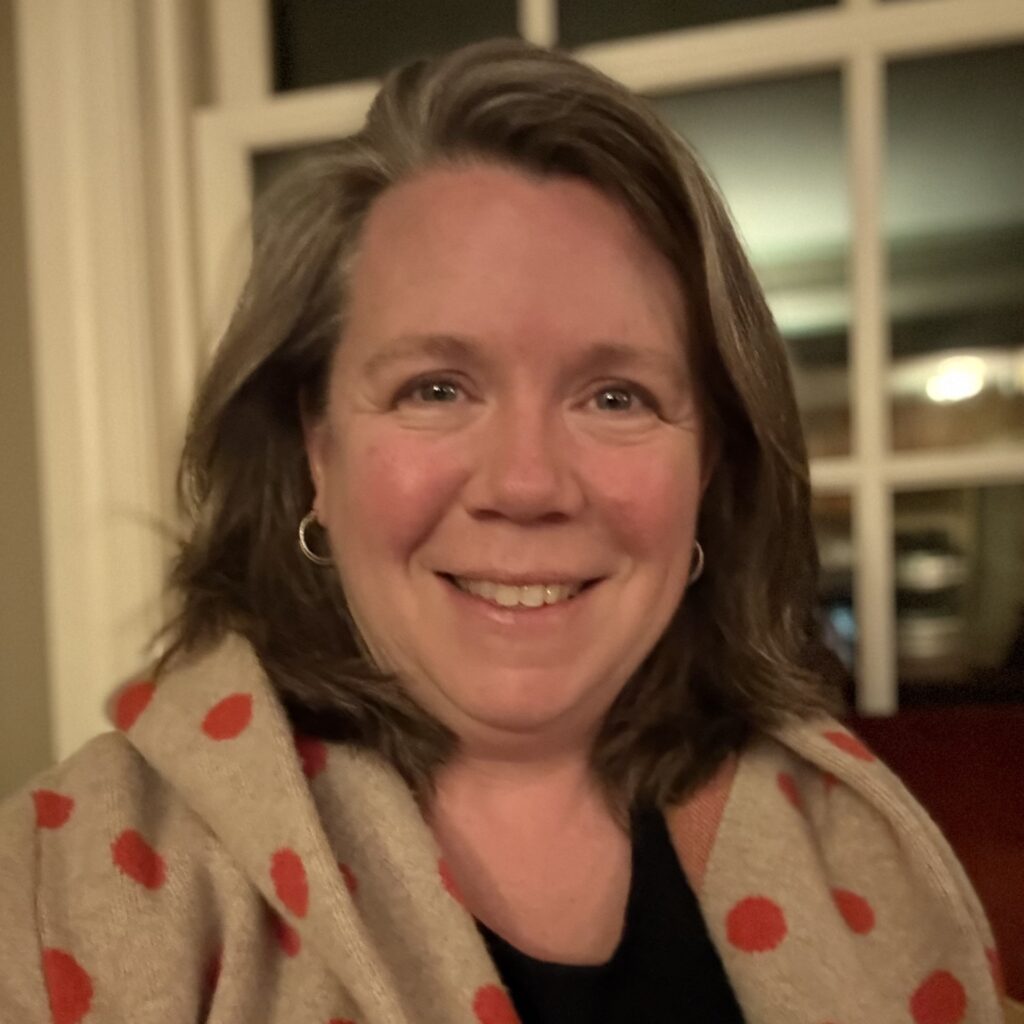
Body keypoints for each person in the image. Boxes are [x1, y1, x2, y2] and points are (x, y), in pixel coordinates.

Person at [0, 38, 1008, 1024]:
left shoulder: (865, 842)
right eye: (434, 387)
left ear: (708, 464)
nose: (526, 484)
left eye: (616, 396)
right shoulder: (63, 878)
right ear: (318, 449)